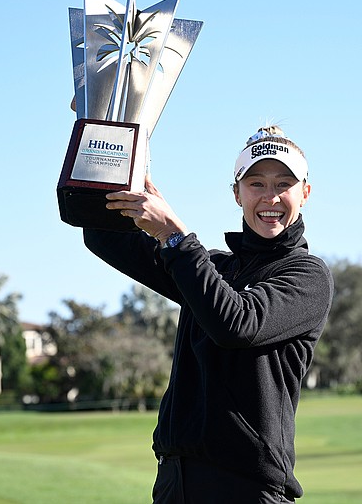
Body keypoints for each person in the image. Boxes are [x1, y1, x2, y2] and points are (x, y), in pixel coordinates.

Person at [83, 125, 333, 503]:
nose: (271, 197)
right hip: (175, 482)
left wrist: (175, 237)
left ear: (305, 193)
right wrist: (101, 136)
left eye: (284, 184)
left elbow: (235, 324)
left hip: (245, 489)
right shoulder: (209, 267)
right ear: (236, 193)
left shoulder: (308, 275)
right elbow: (102, 234)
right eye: (256, 184)